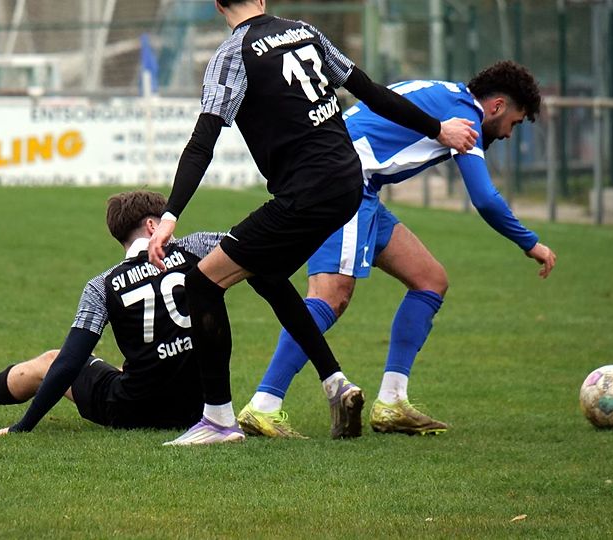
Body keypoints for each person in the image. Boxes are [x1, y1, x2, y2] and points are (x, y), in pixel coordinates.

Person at [148, 0, 478, 445]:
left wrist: (170, 214)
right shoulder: (304, 32)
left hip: (307, 194)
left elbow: (203, 140)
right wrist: (438, 128)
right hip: (348, 183)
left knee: (203, 284)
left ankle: (218, 420)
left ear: (218, 5)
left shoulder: (232, 55)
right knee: (266, 274)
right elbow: (371, 91)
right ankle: (335, 383)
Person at [237, 61, 557, 438]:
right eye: (514, 123)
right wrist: (530, 242)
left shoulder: (444, 93)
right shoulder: (465, 115)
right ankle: (264, 404)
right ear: (497, 106)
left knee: (429, 280)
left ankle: (392, 402)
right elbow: (485, 199)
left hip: (356, 183)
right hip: (342, 182)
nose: (508, 134)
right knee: (330, 296)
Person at [0, 191, 220, 434]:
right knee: (147, 363)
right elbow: (245, 245)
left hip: (134, 410)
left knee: (52, 360)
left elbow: (68, 364)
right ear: (153, 226)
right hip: (205, 405)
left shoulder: (102, 285)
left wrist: (23, 426)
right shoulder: (196, 248)